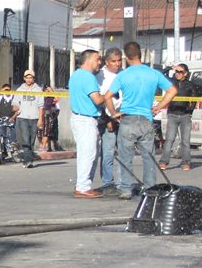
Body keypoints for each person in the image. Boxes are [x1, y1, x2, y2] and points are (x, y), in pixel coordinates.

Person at [107, 41, 178, 200]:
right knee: (148, 157)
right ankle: (150, 188)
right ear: (140, 54)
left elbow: (107, 96)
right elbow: (172, 90)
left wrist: (113, 113)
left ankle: (126, 189)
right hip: (146, 119)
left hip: (127, 119)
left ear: (126, 57)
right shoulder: (153, 74)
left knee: (126, 156)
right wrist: (159, 106)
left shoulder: (123, 75)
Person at [68, 49, 104, 198]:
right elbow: (97, 99)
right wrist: (109, 95)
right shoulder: (88, 77)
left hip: (79, 118)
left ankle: (85, 185)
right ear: (89, 60)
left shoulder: (76, 75)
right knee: (88, 154)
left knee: (87, 153)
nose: (99, 62)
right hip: (86, 119)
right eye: (97, 59)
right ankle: (82, 187)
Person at [159, 63, 198, 171]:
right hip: (172, 114)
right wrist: (170, 68)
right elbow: (161, 74)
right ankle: (163, 162)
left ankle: (186, 162)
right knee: (169, 139)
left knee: (185, 141)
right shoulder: (172, 82)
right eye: (176, 72)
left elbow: (194, 98)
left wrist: (190, 111)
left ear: (185, 73)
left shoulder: (190, 85)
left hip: (185, 115)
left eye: (180, 72)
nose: (177, 74)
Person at [97, 48, 123, 190]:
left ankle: (122, 182)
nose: (117, 64)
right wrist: (107, 119)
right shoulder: (101, 76)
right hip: (108, 118)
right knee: (108, 152)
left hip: (123, 116)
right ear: (107, 62)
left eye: (119, 61)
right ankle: (107, 182)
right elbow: (100, 99)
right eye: (114, 61)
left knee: (124, 152)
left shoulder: (123, 73)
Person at [14, 69, 43, 168]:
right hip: (23, 117)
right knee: (25, 139)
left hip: (34, 117)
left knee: (31, 140)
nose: (29, 79)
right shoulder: (20, 90)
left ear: (33, 79)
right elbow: (15, 103)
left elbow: (41, 105)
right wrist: (15, 108)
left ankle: (28, 158)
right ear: (24, 78)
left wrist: (40, 119)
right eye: (27, 78)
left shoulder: (38, 90)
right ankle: (28, 161)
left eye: (31, 78)